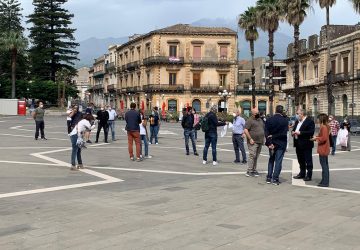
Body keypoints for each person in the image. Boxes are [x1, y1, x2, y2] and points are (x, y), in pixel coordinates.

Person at [265, 105, 289, 185]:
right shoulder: (285, 120)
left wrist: (269, 143)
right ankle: (275, 179)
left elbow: (266, 133)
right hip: (281, 143)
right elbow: (284, 133)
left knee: (271, 159)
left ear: (275, 110)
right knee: (278, 161)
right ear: (282, 111)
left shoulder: (269, 120)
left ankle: (269, 177)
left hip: (271, 143)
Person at [292, 107, 315, 181]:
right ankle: (302, 173)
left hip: (306, 144)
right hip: (298, 143)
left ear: (302, 114)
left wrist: (300, 132)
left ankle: (309, 175)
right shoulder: (297, 122)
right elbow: (294, 129)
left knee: (308, 160)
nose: (297, 115)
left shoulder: (309, 121)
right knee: (300, 159)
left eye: (297, 114)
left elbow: (311, 132)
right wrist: (293, 132)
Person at [244, 107, 264, 177]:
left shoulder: (260, 120)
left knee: (256, 156)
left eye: (258, 113)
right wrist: (250, 139)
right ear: (252, 114)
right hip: (253, 141)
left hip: (260, 141)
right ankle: (249, 170)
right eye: (256, 113)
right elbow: (246, 130)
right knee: (252, 155)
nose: (258, 114)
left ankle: (254, 169)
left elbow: (262, 128)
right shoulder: (250, 120)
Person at [313, 113, 331, 187]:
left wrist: (316, 138)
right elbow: (323, 136)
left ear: (321, 119)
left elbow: (323, 138)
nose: (317, 120)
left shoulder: (323, 127)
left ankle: (325, 182)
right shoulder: (325, 126)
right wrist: (316, 137)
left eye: (318, 118)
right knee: (325, 165)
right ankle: (324, 180)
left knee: (324, 165)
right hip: (325, 148)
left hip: (323, 148)